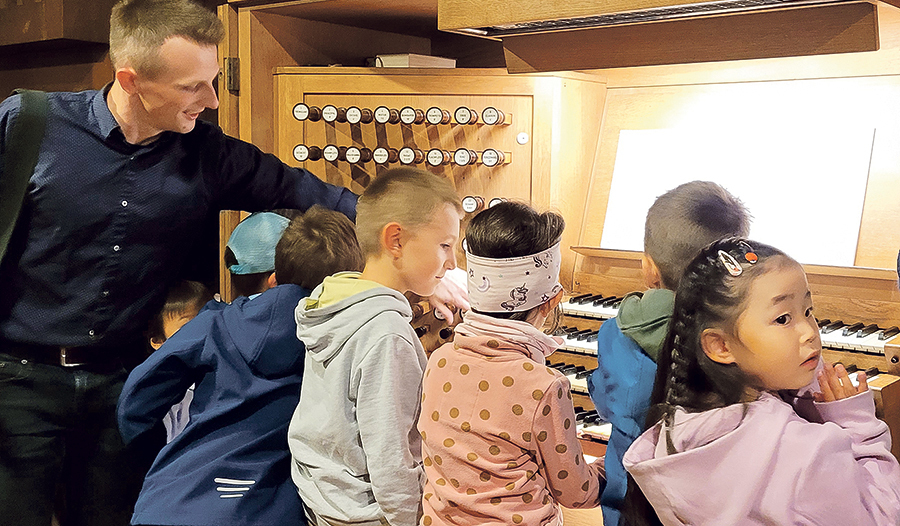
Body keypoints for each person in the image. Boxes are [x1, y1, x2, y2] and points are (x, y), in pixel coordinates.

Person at [0, 0, 363, 522]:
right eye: (193, 86)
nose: (212, 100)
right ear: (131, 80)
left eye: (213, 81)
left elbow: (311, 192)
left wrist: (410, 247)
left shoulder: (207, 153)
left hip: (125, 383)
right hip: (17, 380)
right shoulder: (27, 124)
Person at [621, 237, 900, 525]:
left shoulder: (679, 428)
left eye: (808, 311)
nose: (810, 332)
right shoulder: (801, 455)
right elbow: (882, 515)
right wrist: (859, 426)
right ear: (720, 346)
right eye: (782, 319)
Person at [117, 206, 365, 526]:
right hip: (265, 510)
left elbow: (134, 401)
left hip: (173, 503)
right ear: (276, 278)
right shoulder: (334, 336)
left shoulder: (212, 324)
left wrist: (166, 461)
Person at [288, 167, 462, 526]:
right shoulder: (387, 334)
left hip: (323, 496)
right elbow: (391, 458)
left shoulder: (335, 298)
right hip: (364, 513)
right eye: (445, 245)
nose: (453, 262)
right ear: (395, 240)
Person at [417, 201, 604, 526]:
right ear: (552, 300)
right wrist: (619, 458)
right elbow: (577, 493)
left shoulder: (440, 359)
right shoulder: (543, 384)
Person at [586, 180, 750, 526]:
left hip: (627, 497)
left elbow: (606, 401)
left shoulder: (614, 332)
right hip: (712, 501)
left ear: (650, 269)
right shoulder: (739, 340)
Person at [146, 279, 216, 442]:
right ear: (158, 341)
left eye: (205, 322)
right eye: (186, 329)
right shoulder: (162, 392)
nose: (199, 333)